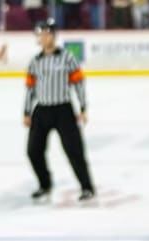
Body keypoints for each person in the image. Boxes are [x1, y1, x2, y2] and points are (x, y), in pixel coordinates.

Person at [24, 18, 96, 203]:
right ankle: (45, 183)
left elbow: (78, 84)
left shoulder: (67, 57)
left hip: (63, 110)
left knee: (74, 150)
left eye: (46, 34)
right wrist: (26, 112)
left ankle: (87, 187)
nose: (43, 37)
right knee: (33, 150)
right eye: (40, 34)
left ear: (53, 36)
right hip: (42, 110)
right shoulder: (35, 61)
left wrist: (83, 107)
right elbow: (30, 89)